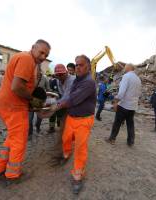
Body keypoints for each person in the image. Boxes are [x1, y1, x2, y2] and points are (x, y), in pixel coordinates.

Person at [0, 39, 51, 182]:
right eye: (41, 52)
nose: (43, 57)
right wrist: (32, 100)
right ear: (33, 48)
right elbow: (17, 87)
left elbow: (20, 85)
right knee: (19, 140)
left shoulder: (27, 59)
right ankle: (12, 174)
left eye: (46, 54)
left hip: (7, 103)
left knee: (12, 137)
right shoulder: (27, 59)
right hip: (14, 106)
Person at [56, 55, 96, 194]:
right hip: (72, 118)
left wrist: (56, 106)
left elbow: (73, 99)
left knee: (80, 148)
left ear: (88, 67)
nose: (77, 67)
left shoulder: (89, 82)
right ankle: (66, 154)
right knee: (66, 139)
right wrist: (57, 102)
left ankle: (77, 176)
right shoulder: (76, 81)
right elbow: (67, 95)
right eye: (76, 64)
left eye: (81, 65)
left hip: (84, 120)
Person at [106, 63, 141, 147]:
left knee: (117, 123)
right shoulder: (138, 79)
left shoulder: (126, 76)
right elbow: (138, 93)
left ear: (128, 68)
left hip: (124, 105)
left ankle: (112, 139)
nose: (124, 69)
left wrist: (116, 102)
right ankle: (131, 141)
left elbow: (121, 92)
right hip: (132, 106)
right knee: (130, 124)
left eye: (125, 67)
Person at [48, 64, 75, 162]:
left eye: (61, 75)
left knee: (67, 130)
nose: (59, 77)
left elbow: (67, 96)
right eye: (57, 75)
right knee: (63, 129)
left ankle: (64, 151)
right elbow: (61, 95)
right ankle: (62, 149)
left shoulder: (72, 80)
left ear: (66, 73)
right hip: (66, 106)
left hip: (75, 107)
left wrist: (56, 105)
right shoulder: (59, 81)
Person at [28, 68, 50, 138]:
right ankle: (30, 132)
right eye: (37, 73)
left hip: (40, 102)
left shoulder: (45, 78)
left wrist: (46, 96)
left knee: (39, 117)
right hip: (30, 102)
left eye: (39, 73)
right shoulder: (31, 78)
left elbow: (48, 88)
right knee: (29, 119)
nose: (38, 74)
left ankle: (38, 126)